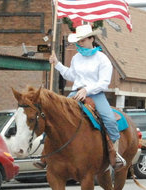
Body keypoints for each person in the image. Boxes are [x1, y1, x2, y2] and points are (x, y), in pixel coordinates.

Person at [47, 24, 125, 169]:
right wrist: (57, 64)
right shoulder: (76, 58)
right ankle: (48, 154)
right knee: (54, 114)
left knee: (109, 119)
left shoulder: (102, 59)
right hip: (75, 92)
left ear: (91, 39)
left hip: (95, 94)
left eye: (82, 40)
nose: (80, 43)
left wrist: (87, 90)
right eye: (78, 41)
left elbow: (104, 83)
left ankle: (114, 152)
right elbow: (71, 75)